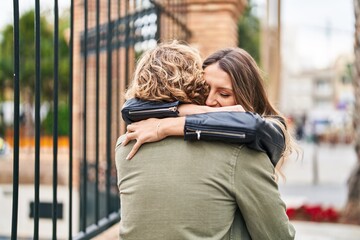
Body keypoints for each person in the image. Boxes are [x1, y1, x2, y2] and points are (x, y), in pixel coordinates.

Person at [115, 41, 295, 239]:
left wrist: (167, 125)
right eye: (204, 89)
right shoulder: (240, 153)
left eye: (224, 94)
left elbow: (254, 126)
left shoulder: (124, 146)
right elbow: (278, 236)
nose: (209, 101)